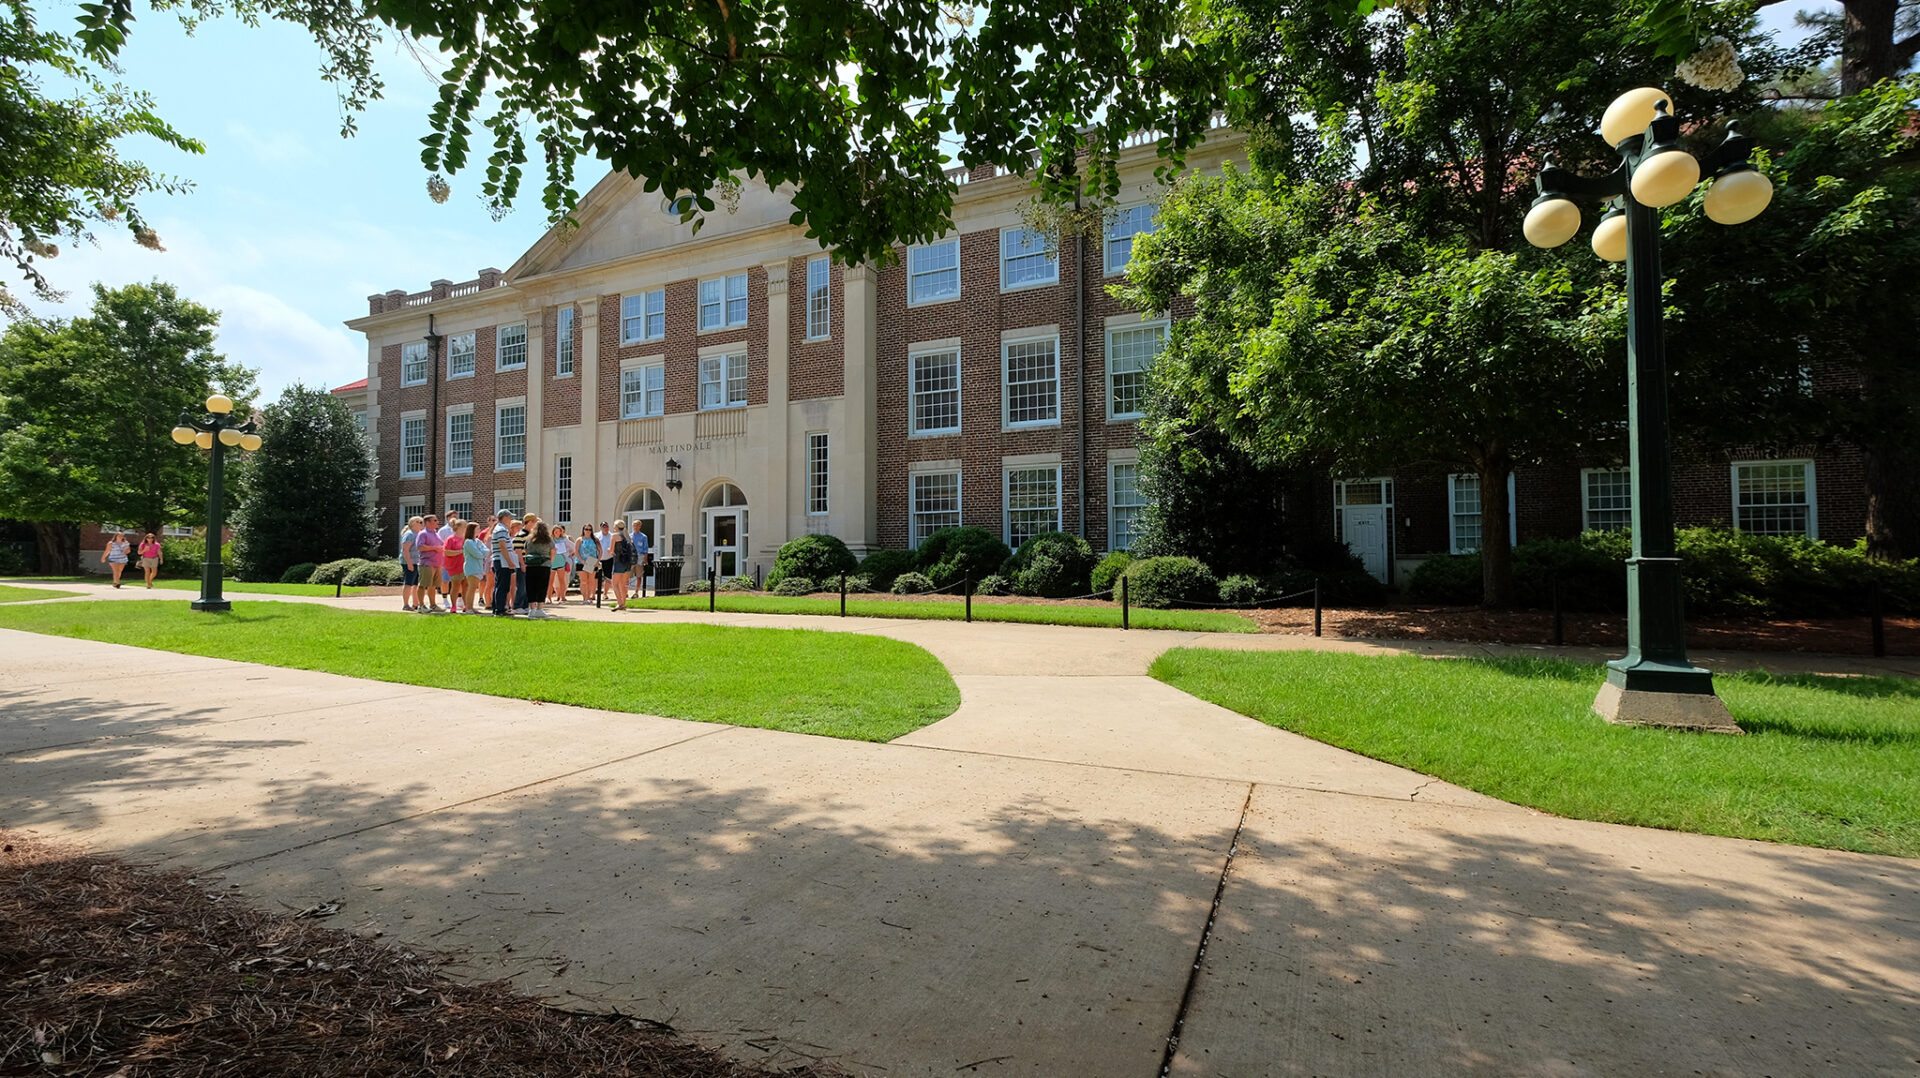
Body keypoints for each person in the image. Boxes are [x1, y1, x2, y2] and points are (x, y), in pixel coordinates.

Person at [489, 510, 519, 617]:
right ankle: (500, 609)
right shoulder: (501, 529)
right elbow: (502, 546)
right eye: (510, 517)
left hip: (500, 560)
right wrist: (510, 562)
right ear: (505, 517)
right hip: (502, 561)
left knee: (500, 585)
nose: (511, 520)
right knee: (503, 586)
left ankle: (497, 607)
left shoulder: (500, 528)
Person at [416, 513, 445, 613]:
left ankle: (433, 605)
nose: (437, 522)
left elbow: (441, 545)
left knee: (433, 585)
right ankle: (421, 606)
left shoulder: (435, 533)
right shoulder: (423, 534)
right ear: (428, 522)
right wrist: (434, 548)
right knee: (423, 585)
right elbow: (420, 547)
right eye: (435, 520)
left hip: (437, 563)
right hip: (427, 563)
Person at [524, 521, 554, 618]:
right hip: (544, 565)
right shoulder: (548, 540)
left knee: (531, 586)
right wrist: (550, 561)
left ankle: (531, 609)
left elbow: (526, 550)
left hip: (531, 565)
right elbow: (553, 551)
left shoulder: (529, 539)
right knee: (542, 587)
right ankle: (540, 609)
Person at [460, 522, 487, 614]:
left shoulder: (477, 541)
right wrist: (482, 552)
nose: (479, 530)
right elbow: (477, 554)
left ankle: (471, 607)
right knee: (471, 588)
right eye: (478, 528)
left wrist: (482, 552)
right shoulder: (468, 542)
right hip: (471, 567)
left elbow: (487, 551)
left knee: (474, 588)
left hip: (478, 567)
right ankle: (468, 608)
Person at [442, 519, 467, 612]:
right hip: (455, 566)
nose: (466, 527)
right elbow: (446, 552)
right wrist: (459, 552)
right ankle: (453, 606)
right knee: (455, 586)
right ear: (459, 527)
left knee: (466, 586)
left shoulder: (466, 539)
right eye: (465, 525)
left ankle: (465, 605)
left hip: (466, 565)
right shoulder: (451, 539)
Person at [608, 520, 633, 610]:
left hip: (618, 561)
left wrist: (609, 550)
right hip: (627, 562)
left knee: (614, 584)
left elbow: (611, 550)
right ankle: (624, 603)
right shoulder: (626, 535)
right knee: (622, 584)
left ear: (616, 527)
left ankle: (620, 603)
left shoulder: (614, 536)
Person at [399, 517, 423, 610]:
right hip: (409, 562)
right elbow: (405, 550)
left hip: (417, 562)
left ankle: (415, 604)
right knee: (408, 583)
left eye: (422, 522)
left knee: (416, 584)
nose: (421, 523)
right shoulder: (409, 534)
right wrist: (409, 563)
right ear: (412, 523)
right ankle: (405, 605)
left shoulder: (418, 534)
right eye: (419, 522)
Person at [574, 526, 599, 605]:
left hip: (591, 561)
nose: (588, 531)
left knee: (591, 581)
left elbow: (600, 550)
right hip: (582, 561)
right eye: (586, 529)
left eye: (589, 529)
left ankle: (589, 597)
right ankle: (585, 598)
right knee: (584, 581)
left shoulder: (595, 540)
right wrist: (581, 560)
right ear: (583, 530)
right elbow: (576, 551)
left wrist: (597, 561)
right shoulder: (580, 540)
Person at [548, 525, 572, 604]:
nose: (557, 533)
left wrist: (568, 553)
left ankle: (562, 597)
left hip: (561, 561)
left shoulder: (564, 540)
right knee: (550, 581)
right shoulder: (550, 540)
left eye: (559, 531)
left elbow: (573, 546)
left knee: (562, 580)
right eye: (555, 531)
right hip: (552, 561)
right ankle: (548, 597)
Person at [631, 523, 652, 599]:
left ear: (640, 526)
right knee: (627, 575)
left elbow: (645, 549)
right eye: (634, 525)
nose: (635, 527)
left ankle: (636, 592)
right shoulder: (630, 536)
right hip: (631, 557)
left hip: (640, 557)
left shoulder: (643, 537)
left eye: (637, 525)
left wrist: (645, 559)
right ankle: (625, 591)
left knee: (639, 576)